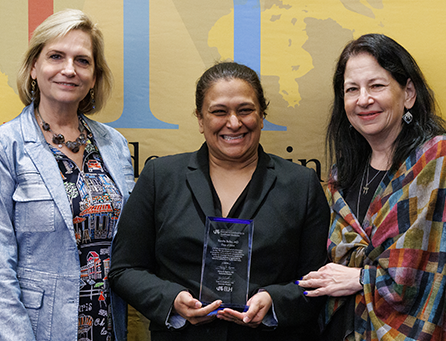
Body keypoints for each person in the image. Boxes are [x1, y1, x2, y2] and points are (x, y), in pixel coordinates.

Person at [297, 34, 446, 341]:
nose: (363, 99)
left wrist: (360, 278)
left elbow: (442, 277)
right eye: (352, 89)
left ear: (408, 93)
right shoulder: (344, 173)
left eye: (376, 86)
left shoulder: (441, 159)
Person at [109, 61, 330, 341]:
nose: (234, 122)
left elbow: (318, 280)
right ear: (201, 120)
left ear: (262, 115)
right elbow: (124, 269)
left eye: (245, 110)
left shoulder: (301, 185)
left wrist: (274, 301)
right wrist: (172, 300)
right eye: (219, 112)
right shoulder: (160, 178)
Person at [0, 9, 134, 341]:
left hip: (105, 324)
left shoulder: (113, 144)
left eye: (82, 61)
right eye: (56, 56)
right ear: (33, 67)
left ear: (94, 76)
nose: (69, 69)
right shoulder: (2, 146)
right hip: (28, 331)